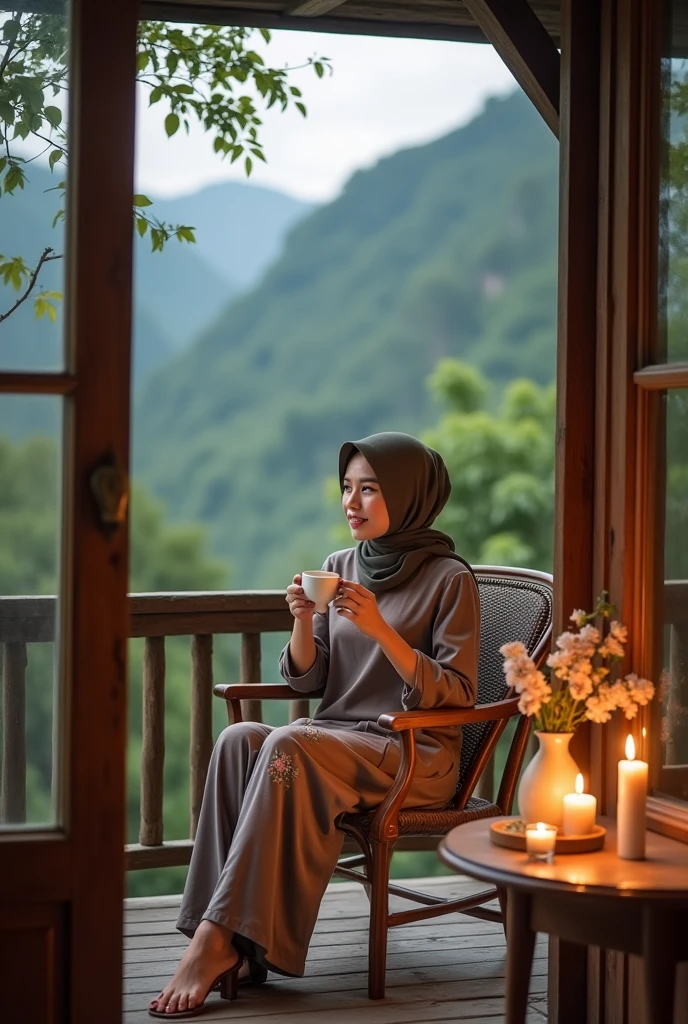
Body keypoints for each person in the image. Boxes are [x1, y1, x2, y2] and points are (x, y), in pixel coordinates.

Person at [149, 431, 479, 1019]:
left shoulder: (449, 578)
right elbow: (308, 681)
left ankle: (216, 942)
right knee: (237, 740)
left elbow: (458, 693)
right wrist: (302, 622)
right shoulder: (340, 565)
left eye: (370, 489)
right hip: (340, 741)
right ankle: (233, 941)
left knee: (290, 741)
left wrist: (381, 630)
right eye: (347, 488)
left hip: (412, 751)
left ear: (406, 496)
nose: (351, 502)